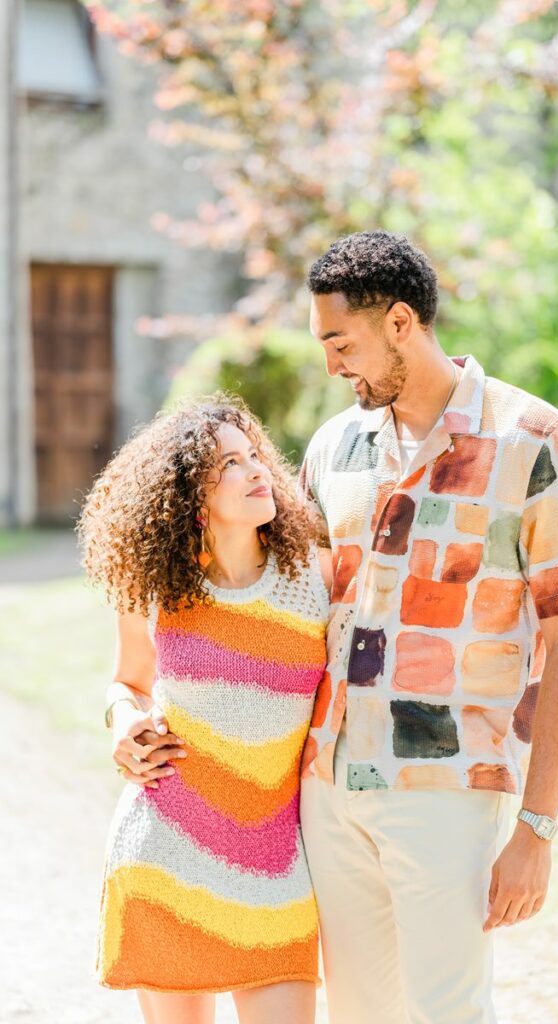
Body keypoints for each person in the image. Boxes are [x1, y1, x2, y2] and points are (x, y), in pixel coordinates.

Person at [297, 230, 558, 1024]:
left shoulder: (531, 441)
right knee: (356, 1014)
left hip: (445, 788)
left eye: (342, 343)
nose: (333, 366)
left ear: (401, 323)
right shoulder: (333, 446)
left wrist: (536, 828)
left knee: (447, 1013)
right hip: (328, 786)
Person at [76, 393, 332, 1024]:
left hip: (277, 862)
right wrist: (123, 721)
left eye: (255, 456)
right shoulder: (157, 588)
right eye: (232, 465)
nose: (257, 472)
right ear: (192, 499)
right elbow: (126, 682)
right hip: (167, 856)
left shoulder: (318, 575)